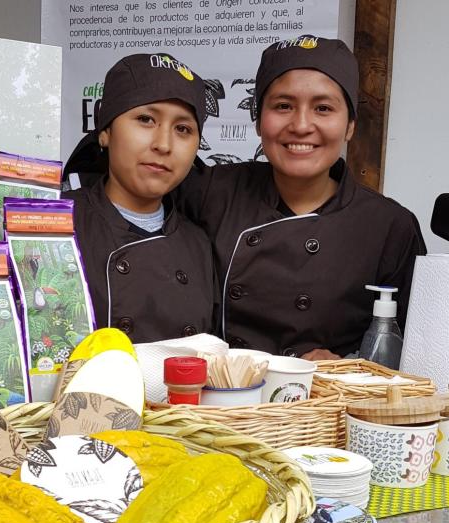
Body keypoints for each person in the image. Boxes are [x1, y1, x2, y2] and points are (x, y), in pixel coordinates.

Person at [175, 35, 426, 360]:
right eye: (283, 106)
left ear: (350, 125)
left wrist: (348, 368)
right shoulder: (209, 192)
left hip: (327, 407)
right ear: (258, 119)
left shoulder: (390, 227)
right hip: (221, 401)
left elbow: (414, 355)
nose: (301, 125)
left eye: (323, 108)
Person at [62, 53, 215, 343]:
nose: (163, 144)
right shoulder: (60, 223)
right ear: (105, 132)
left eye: (183, 129)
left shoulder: (199, 244)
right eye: (145, 119)